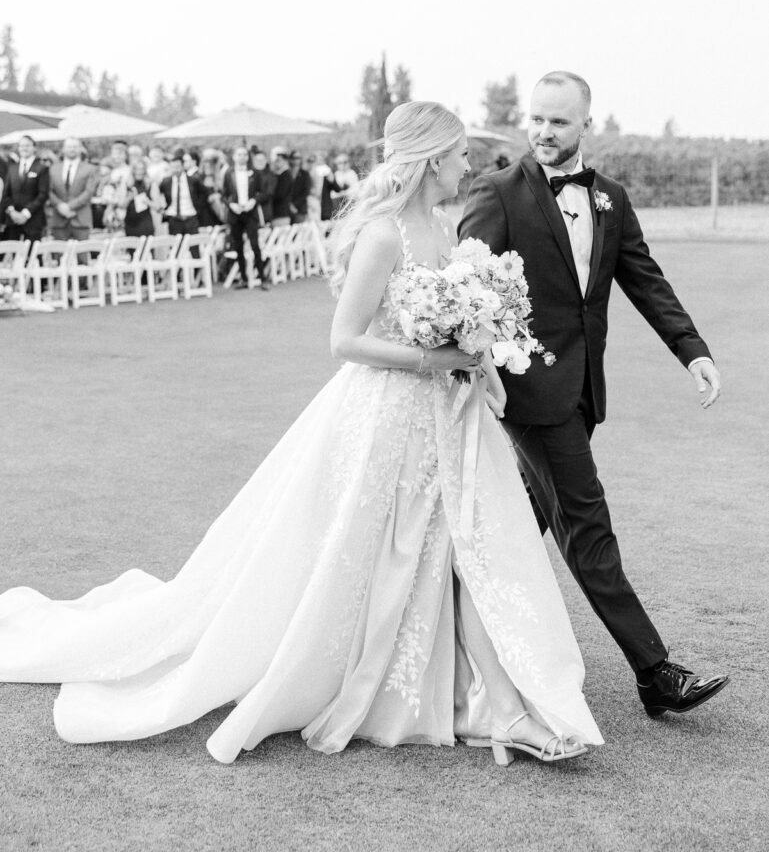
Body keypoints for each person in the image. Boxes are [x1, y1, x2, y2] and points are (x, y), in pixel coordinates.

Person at [0, 101, 603, 767]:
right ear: (433, 159)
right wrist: (438, 358)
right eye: (460, 155)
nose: (468, 166)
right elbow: (345, 340)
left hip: (446, 416)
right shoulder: (382, 236)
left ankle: (504, 707)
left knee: (464, 555)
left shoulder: (442, 226)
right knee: (386, 554)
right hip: (387, 416)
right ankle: (485, 705)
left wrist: (480, 348)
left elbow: (454, 318)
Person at [459, 71, 729, 718]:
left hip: (583, 389)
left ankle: (452, 634)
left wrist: (691, 350)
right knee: (588, 527)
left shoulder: (609, 197)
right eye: (537, 119)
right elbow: (466, 296)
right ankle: (654, 672)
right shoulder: (496, 194)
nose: (543, 131)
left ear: (587, 125)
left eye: (558, 121)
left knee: (520, 526)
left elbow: (644, 279)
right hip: (529, 396)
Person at [220, 145, 271, 290]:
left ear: (247, 157)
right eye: (239, 154)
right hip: (235, 214)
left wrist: (253, 201)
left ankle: (262, 278)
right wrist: (231, 205)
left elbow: (263, 193)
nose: (242, 157)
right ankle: (243, 278)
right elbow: (223, 195)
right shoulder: (228, 173)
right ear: (234, 157)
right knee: (238, 246)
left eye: (244, 154)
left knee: (255, 245)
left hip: (250, 213)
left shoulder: (255, 173)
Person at [0, 135, 50, 243]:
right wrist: (12, 211)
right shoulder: (12, 168)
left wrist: (25, 213)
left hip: (33, 219)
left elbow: (43, 194)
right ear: (18, 148)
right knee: (15, 256)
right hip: (13, 220)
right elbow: (5, 194)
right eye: (22, 146)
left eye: (27, 145)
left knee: (33, 255)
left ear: (34, 148)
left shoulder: (42, 168)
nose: (24, 148)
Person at [47, 137, 97, 241]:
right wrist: (60, 205)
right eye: (69, 146)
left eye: (75, 146)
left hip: (81, 219)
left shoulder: (90, 169)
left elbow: (89, 192)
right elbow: (48, 191)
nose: (72, 149)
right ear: (63, 149)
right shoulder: (53, 169)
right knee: (58, 254)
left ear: (80, 149)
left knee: (82, 255)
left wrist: (69, 207)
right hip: (59, 219)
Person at [159, 150, 207, 236]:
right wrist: (163, 209)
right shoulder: (166, 182)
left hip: (191, 218)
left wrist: (199, 209)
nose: (175, 170)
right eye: (173, 167)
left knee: (193, 246)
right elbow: (157, 195)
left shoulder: (193, 180)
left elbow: (204, 193)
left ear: (183, 166)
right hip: (173, 219)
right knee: (175, 247)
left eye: (177, 167)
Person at [121, 156, 162, 238]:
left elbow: (158, 207)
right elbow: (121, 205)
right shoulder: (127, 184)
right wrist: (129, 198)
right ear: (133, 170)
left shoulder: (150, 184)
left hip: (145, 224)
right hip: (130, 224)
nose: (139, 172)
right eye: (136, 169)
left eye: (141, 169)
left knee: (147, 249)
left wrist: (147, 202)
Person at [269, 148, 293, 226]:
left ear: (285, 161)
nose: (276, 163)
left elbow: (280, 194)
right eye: (276, 161)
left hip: (281, 214)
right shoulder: (279, 175)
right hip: (277, 213)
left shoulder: (285, 175)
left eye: (279, 160)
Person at [288, 150, 311, 224]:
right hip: (287, 209)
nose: (295, 160)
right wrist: (289, 204)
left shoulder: (305, 174)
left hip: (300, 209)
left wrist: (294, 205)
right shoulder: (286, 174)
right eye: (293, 158)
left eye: (298, 158)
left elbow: (306, 192)